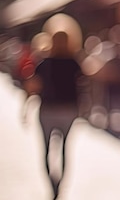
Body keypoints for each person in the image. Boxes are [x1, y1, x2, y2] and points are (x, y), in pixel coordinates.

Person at [33, 31, 84, 197]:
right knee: (64, 150)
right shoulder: (74, 63)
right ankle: (60, 186)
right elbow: (83, 85)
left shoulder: (43, 63)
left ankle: (52, 185)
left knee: (46, 150)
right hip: (67, 110)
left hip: (48, 110)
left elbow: (34, 86)